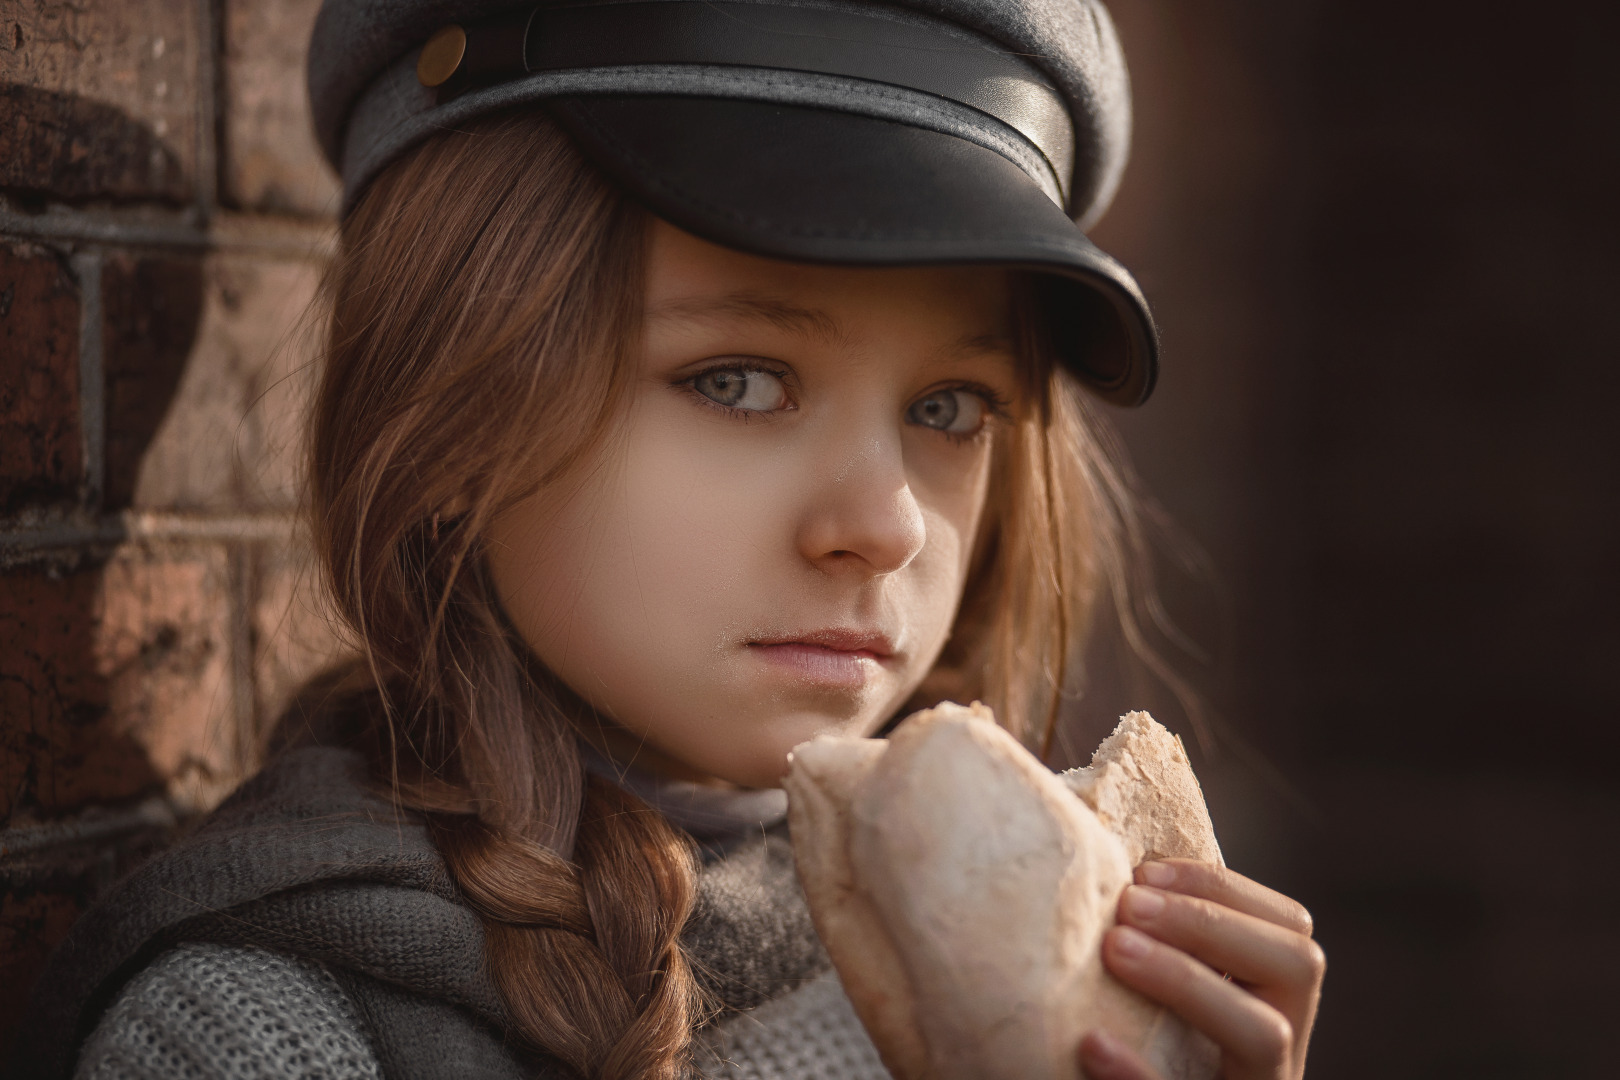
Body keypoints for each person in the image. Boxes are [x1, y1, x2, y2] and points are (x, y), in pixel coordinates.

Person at [15, 2, 1325, 1079]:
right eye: (739, 381)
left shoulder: (1073, 966)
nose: (880, 528)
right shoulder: (252, 1035)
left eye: (948, 408)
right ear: (455, 407)